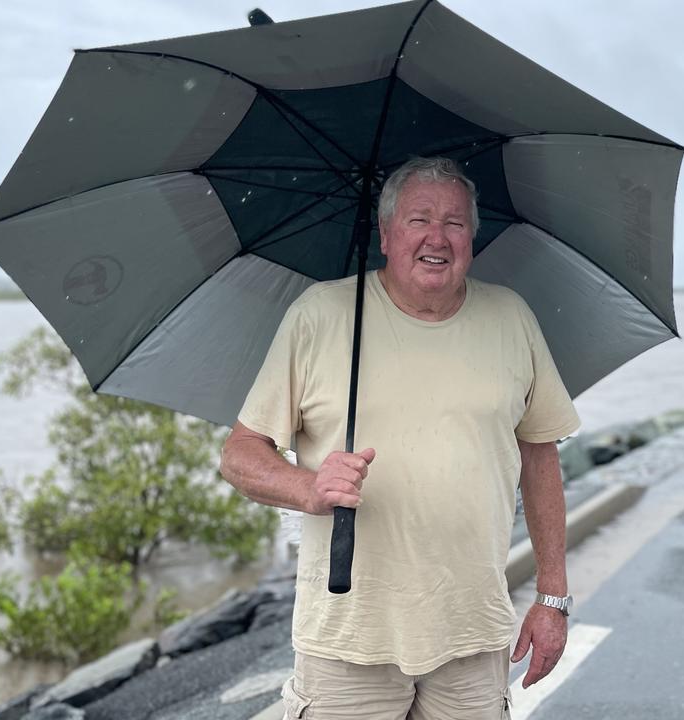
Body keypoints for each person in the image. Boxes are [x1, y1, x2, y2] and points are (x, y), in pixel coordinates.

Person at [220, 156, 580, 719]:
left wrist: (553, 597)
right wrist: (309, 488)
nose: (437, 237)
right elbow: (240, 453)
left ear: (472, 238)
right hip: (349, 637)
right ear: (385, 234)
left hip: (474, 633)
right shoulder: (321, 315)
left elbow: (541, 456)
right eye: (419, 220)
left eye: (455, 223)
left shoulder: (512, 318)